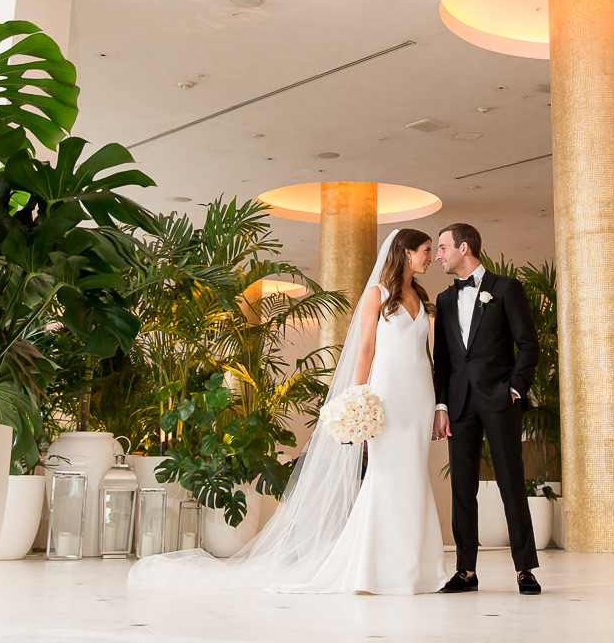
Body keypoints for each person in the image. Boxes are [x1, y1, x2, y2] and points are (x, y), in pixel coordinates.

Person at [128, 228, 447, 597]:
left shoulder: (420, 296)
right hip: (388, 398)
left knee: (414, 478)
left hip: (419, 398)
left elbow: (427, 353)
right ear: (406, 252)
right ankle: (378, 571)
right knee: (387, 477)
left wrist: (436, 400)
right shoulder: (377, 294)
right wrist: (358, 398)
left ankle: (419, 569)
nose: (429, 257)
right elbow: (366, 350)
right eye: (426, 250)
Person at [431, 223, 542, 595]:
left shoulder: (506, 288)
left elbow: (528, 345)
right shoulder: (444, 301)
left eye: (444, 247)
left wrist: (514, 388)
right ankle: (466, 571)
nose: (439, 255)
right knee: (462, 487)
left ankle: (524, 568)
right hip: (459, 403)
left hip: (499, 400)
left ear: (464, 247)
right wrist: (442, 405)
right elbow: (443, 361)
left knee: (511, 482)